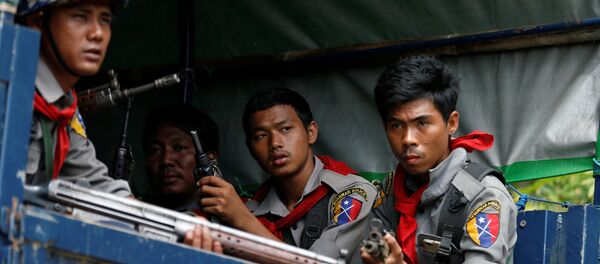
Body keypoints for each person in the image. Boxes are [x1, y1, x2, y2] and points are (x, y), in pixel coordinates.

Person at [361, 57, 517, 264]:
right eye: (396, 126)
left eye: (422, 123)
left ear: (451, 123)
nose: (408, 139)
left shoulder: (482, 195)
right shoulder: (388, 192)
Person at [195, 87, 377, 262]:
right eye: (261, 136)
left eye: (285, 129)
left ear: (311, 132)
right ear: (250, 148)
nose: (275, 143)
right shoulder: (252, 207)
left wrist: (243, 220)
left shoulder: (352, 194)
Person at [17, 0, 130, 196]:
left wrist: (181, 226)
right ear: (36, 22)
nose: (97, 33)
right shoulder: (12, 99)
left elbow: (100, 188)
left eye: (104, 20)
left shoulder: (60, 108)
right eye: (80, 17)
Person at [143, 103, 219, 215]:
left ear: (210, 157)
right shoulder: (133, 213)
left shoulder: (232, 217)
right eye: (154, 150)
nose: (165, 161)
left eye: (179, 148)